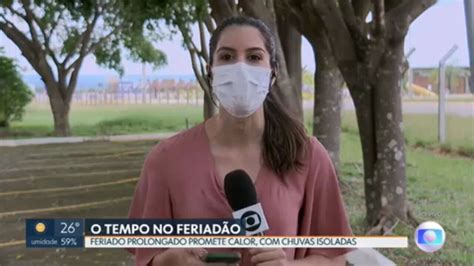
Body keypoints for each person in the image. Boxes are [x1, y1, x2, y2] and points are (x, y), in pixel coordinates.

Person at [127, 16, 353, 266]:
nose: (240, 69)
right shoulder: (166, 159)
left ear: (273, 73)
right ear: (210, 71)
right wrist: (169, 261)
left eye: (254, 57)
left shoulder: (309, 156)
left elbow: (334, 259)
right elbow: (146, 257)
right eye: (227, 57)